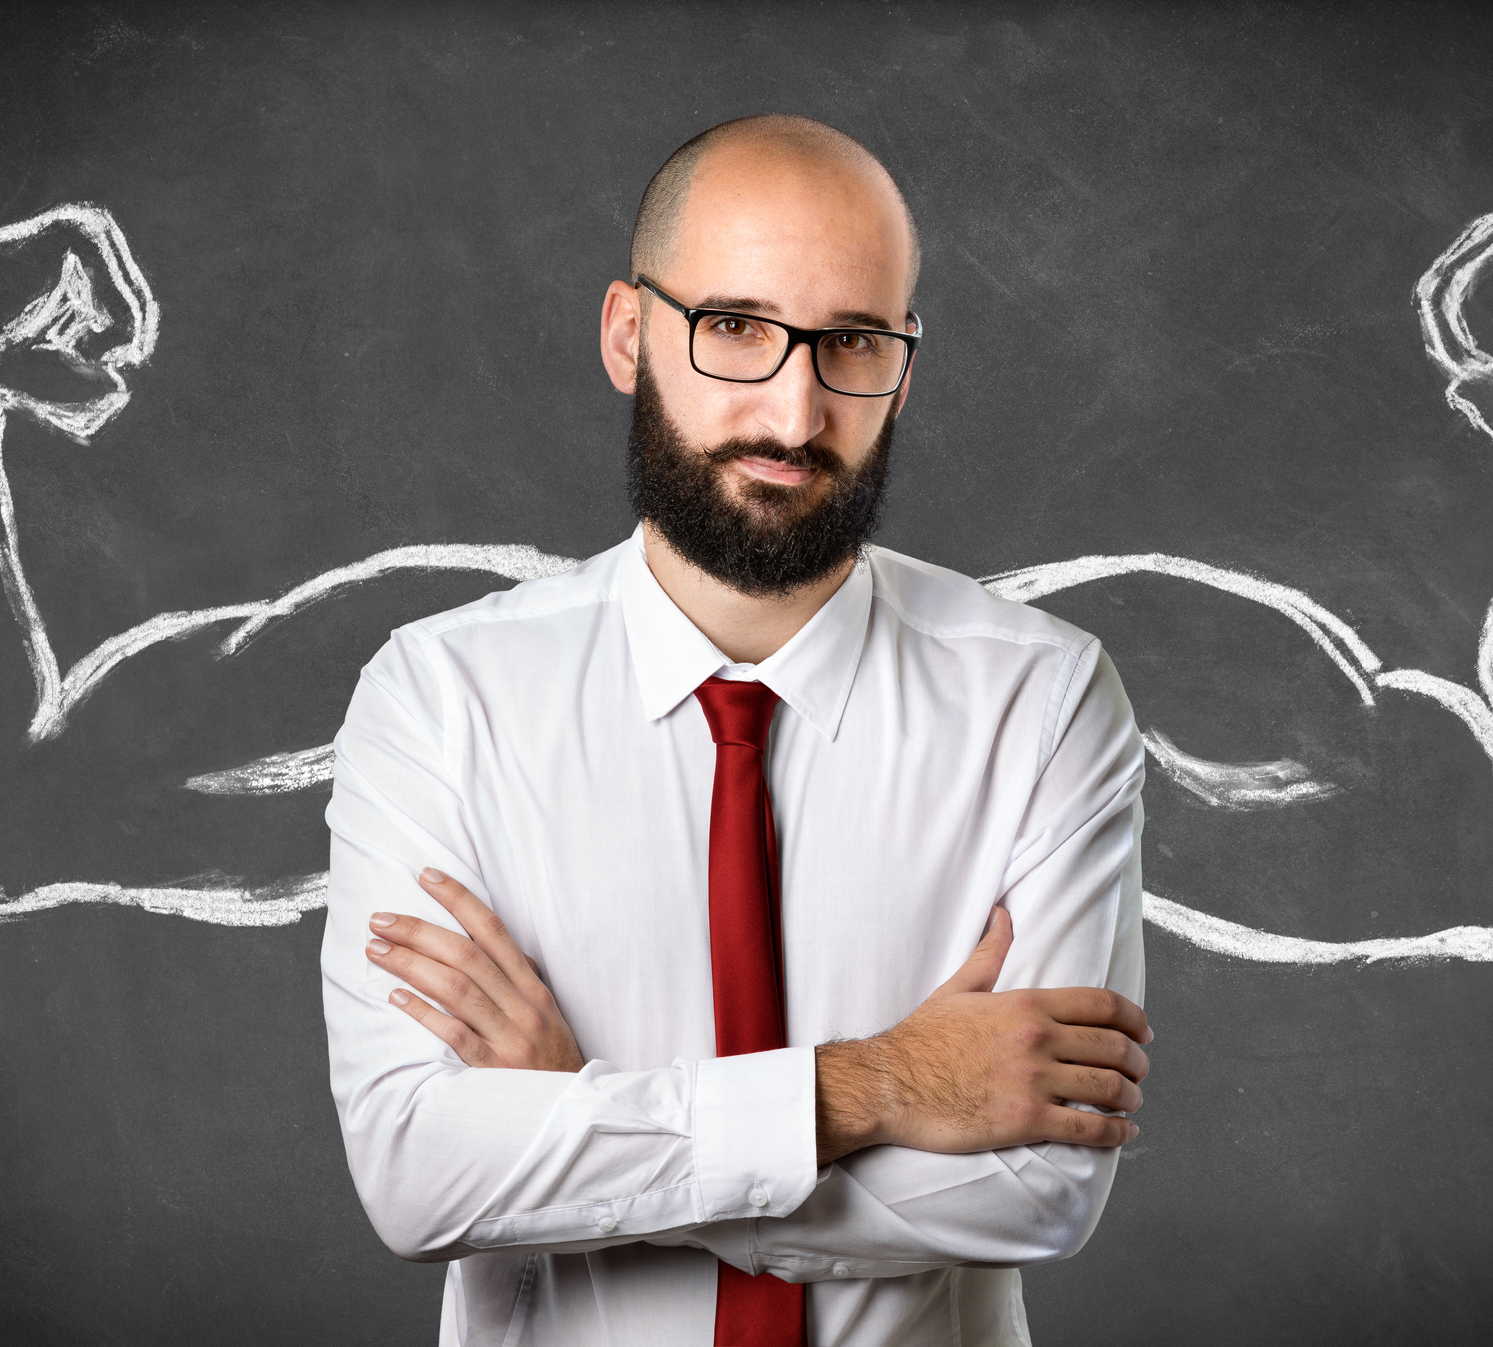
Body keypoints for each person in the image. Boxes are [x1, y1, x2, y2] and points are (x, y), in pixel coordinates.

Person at [322, 114, 1150, 1347]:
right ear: (628, 334)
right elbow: (419, 1175)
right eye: (736, 329)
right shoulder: (441, 699)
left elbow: (1037, 1190)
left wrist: (576, 1118)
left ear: (904, 368)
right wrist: (876, 1087)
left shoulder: (1041, 700)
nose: (794, 412)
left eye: (852, 342)